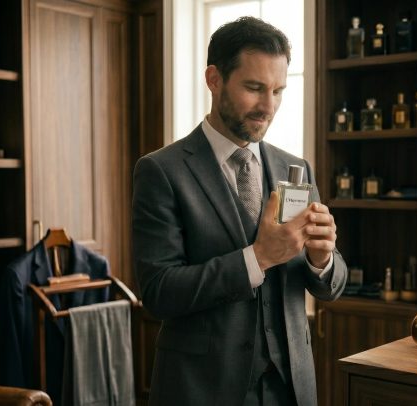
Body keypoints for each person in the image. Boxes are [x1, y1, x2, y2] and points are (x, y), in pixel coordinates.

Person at [132, 16, 347, 406]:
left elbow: (330, 284)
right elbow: (159, 292)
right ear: (214, 79)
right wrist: (258, 258)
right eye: (254, 88)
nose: (268, 106)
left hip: (290, 389)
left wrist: (322, 259)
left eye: (278, 91)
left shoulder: (295, 167)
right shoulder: (161, 171)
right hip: (201, 390)